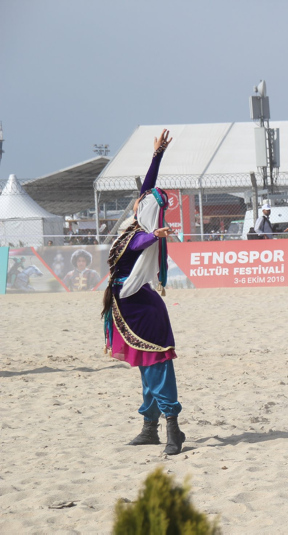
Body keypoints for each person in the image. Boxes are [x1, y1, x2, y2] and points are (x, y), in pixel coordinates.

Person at [100, 129, 185, 455]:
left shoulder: (140, 234)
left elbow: (140, 243)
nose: (138, 198)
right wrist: (157, 156)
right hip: (129, 308)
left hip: (142, 311)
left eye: (141, 200)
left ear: (144, 210)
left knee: (157, 368)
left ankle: (173, 428)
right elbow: (148, 189)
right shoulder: (133, 226)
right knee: (146, 370)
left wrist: (156, 235)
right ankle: (150, 428)